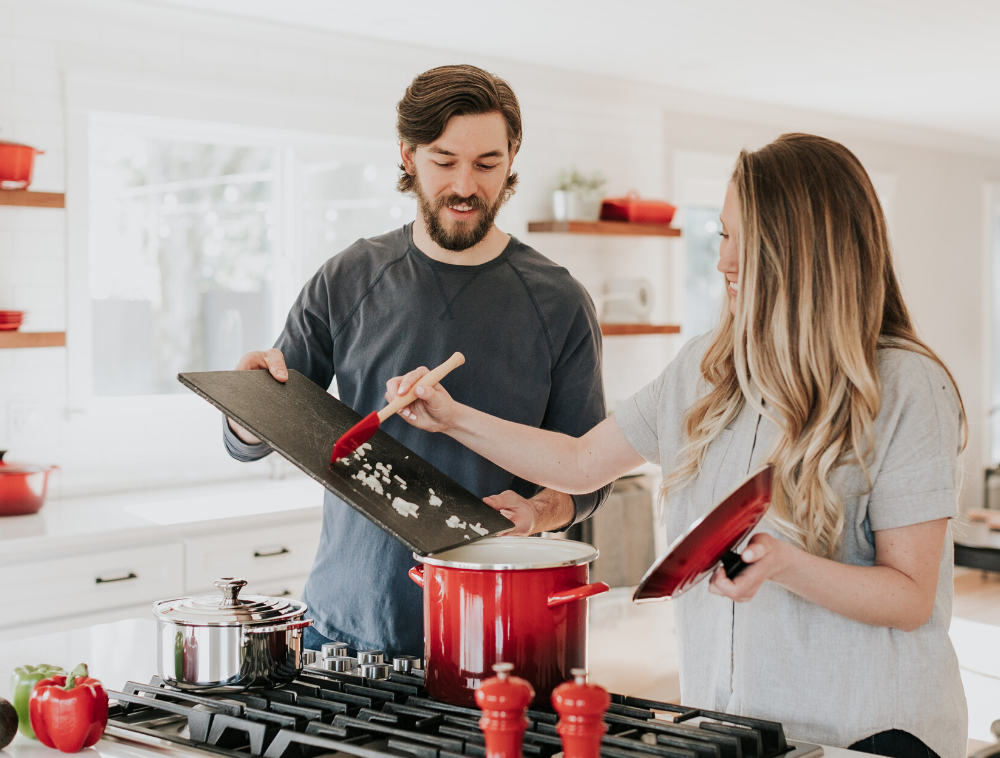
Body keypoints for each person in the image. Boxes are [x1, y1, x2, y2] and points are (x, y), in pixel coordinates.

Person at [387, 133, 967, 758]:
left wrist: (786, 563)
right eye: (722, 235)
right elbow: (581, 463)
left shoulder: (906, 386)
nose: (724, 261)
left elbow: (910, 597)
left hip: (870, 735)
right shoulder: (704, 370)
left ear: (808, 252)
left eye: (749, 241)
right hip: (734, 731)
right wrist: (451, 417)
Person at [223, 64, 611, 659]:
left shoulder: (559, 302)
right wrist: (246, 408)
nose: (465, 185)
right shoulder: (347, 278)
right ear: (407, 155)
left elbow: (589, 478)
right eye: (443, 160)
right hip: (342, 631)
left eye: (486, 164)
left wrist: (538, 511)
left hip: (494, 634)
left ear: (511, 159)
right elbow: (259, 429)